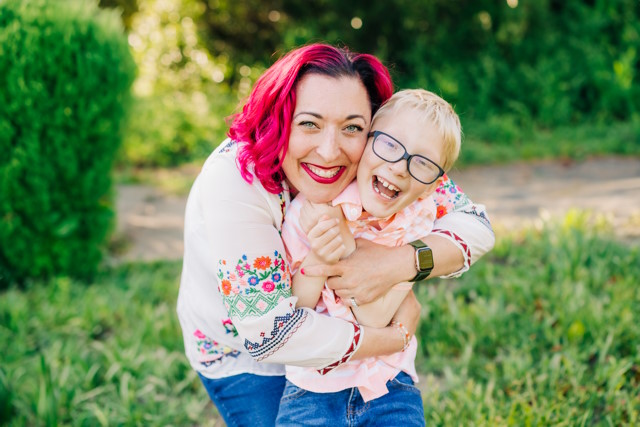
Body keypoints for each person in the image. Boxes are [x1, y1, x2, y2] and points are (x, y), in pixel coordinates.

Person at [176, 44, 495, 427]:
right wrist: (395, 339)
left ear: (374, 126)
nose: (329, 151)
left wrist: (396, 264)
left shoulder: (387, 156)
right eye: (309, 123)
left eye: (351, 127)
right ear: (278, 120)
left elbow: (476, 225)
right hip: (243, 352)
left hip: (347, 351)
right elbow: (269, 336)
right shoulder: (233, 182)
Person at [277, 89, 467, 426]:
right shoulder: (310, 210)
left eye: (422, 163)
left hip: (390, 385)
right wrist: (321, 253)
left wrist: (347, 246)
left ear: (432, 185)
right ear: (366, 142)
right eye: (390, 145)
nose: (399, 168)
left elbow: (376, 318)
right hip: (311, 392)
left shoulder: (417, 220)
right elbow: (297, 306)